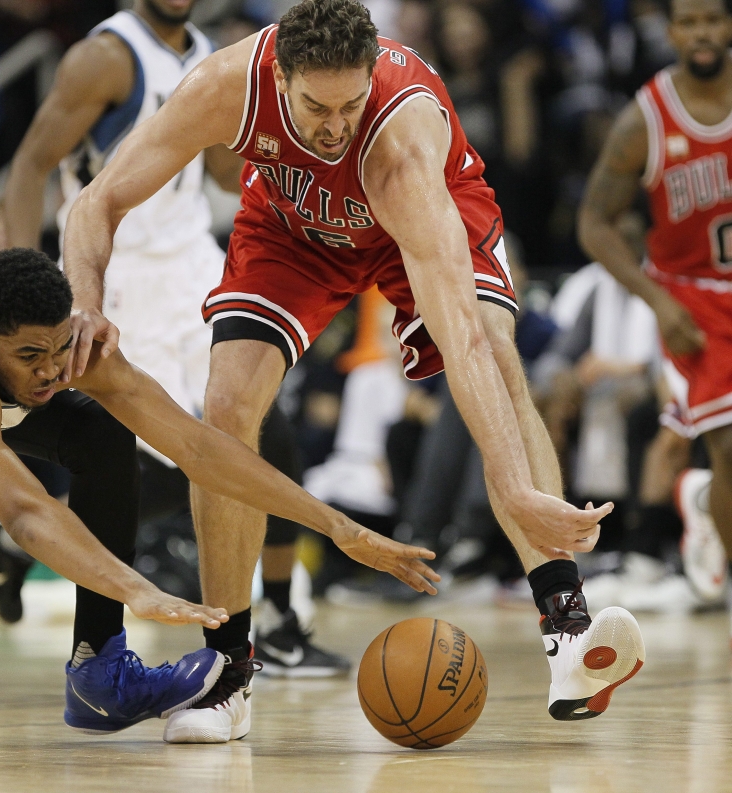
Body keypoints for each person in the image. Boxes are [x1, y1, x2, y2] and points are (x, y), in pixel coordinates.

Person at [62, 0, 645, 743]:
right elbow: (95, 201)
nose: (335, 125)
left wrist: (512, 485)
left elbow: (459, 338)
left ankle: (568, 632)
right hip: (293, 227)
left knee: (498, 351)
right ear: (279, 75)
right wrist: (85, 305)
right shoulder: (224, 84)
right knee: (228, 404)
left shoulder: (398, 145)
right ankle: (228, 672)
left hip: (415, 220)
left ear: (373, 74)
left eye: (350, 103)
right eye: (315, 106)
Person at [0, 248, 435, 736]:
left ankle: (100, 669)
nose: (54, 370)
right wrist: (132, 583)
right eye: (31, 356)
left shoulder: (52, 339)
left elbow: (195, 445)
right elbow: (26, 509)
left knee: (99, 432)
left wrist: (337, 526)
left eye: (60, 348)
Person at [4, 0, 348, 676]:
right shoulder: (105, 57)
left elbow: (225, 173)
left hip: (193, 258)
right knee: (168, 463)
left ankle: (277, 619)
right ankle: (17, 537)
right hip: (121, 270)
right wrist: (23, 284)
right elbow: (29, 165)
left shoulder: (215, 59)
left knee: (261, 432)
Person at [577, 0, 732, 615]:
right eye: (689, 22)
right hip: (693, 302)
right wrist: (657, 300)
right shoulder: (644, 119)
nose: (703, 34)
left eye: (714, 20)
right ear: (670, 32)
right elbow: (594, 223)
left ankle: (703, 500)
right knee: (727, 445)